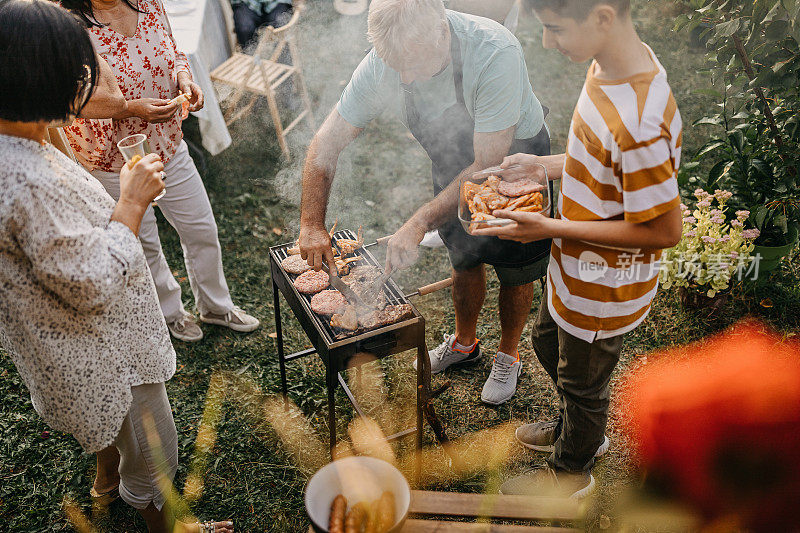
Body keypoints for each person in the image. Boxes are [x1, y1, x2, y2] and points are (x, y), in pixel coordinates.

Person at [0, 2, 233, 531]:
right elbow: (91, 284)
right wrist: (129, 204)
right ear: (42, 80)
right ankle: (170, 522)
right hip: (102, 350)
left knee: (112, 430)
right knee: (153, 449)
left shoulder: (20, 138)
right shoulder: (24, 182)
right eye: (79, 72)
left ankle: (107, 478)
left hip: (69, 343)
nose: (86, 82)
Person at [473, 0, 683, 498]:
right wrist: (543, 166)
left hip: (603, 287)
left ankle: (572, 469)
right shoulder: (607, 66)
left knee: (584, 382)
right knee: (547, 344)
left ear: (603, 17)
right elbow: (598, 157)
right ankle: (580, 426)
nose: (548, 43)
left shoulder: (642, 123)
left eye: (555, 29)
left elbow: (662, 231)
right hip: (573, 271)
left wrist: (550, 227)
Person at [299, 0, 553, 406]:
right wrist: (312, 222)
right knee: (463, 255)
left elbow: (486, 163)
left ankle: (508, 353)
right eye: (396, 64)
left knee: (515, 267)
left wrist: (418, 222)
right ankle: (465, 343)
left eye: (413, 65)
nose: (405, 77)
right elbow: (327, 141)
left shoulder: (494, 52)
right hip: (453, 164)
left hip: (511, 161)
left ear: (441, 30)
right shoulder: (389, 61)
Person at [61, 0, 260, 342]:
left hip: (167, 142)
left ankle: (214, 305)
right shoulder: (66, 25)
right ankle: (171, 313)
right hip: (112, 157)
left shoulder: (148, 2)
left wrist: (185, 78)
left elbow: (173, 49)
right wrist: (129, 108)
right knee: (146, 243)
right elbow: (69, 100)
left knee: (200, 227)